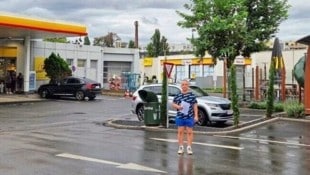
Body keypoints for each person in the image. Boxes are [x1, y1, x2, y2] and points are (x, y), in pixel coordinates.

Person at [172, 79, 198, 155]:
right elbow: (173, 103)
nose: (184, 86)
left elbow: (195, 106)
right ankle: (181, 147)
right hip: (180, 116)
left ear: (188, 86)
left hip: (189, 116)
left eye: (186, 84)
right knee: (180, 132)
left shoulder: (192, 95)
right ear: (181, 86)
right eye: (183, 84)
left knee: (190, 132)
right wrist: (178, 106)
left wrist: (196, 115)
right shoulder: (178, 95)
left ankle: (189, 147)